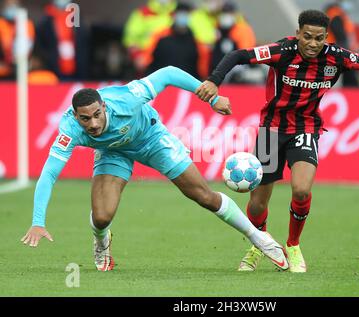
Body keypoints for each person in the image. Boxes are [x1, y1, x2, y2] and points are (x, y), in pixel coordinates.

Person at [196, 10, 359, 273]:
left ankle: (293, 245)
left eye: (319, 38)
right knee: (258, 202)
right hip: (271, 130)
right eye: (307, 37)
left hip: (306, 128)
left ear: (325, 37)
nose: (313, 43)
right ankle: (259, 244)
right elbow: (238, 55)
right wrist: (214, 81)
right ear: (298, 34)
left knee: (302, 190)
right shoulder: (282, 51)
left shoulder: (336, 57)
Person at [20, 66, 289, 272]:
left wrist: (212, 98)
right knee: (101, 218)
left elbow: (170, 73)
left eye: (96, 114)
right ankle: (101, 242)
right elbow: (49, 173)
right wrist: (37, 221)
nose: (92, 124)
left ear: (104, 106)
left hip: (151, 139)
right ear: (75, 117)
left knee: (203, 196)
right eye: (84, 119)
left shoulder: (128, 98)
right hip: (114, 153)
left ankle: (259, 238)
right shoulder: (69, 130)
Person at [144, 1, 210, 80]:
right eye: (180, 13)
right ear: (174, 15)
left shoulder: (196, 40)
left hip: (187, 86)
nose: (182, 17)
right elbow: (148, 60)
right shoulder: (161, 36)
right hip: (161, 83)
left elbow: (201, 66)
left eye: (186, 14)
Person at [34, 0, 88, 80]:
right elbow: (41, 45)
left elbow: (84, 42)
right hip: (53, 70)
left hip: (77, 69)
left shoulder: (76, 17)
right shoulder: (45, 21)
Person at [123, 0, 177, 75]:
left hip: (173, 61)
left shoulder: (178, 12)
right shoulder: (142, 13)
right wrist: (137, 56)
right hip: (147, 62)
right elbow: (131, 39)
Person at [325, 1, 359, 87]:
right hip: (337, 51)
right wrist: (348, 53)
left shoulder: (338, 15)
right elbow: (341, 36)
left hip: (336, 50)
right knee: (348, 79)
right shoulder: (335, 15)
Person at [0, 0, 35, 79]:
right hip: (3, 71)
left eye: (14, 5)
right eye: (9, 5)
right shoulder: (1, 24)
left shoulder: (27, 24)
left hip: (22, 68)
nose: (12, 8)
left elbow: (31, 45)